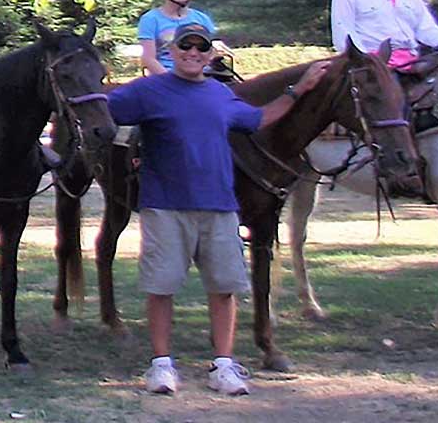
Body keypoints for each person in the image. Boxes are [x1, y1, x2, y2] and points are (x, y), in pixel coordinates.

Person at [106, 23, 329, 396]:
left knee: (224, 288)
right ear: (172, 52)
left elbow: (261, 118)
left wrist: (298, 90)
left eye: (200, 48)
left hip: (220, 207)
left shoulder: (221, 95)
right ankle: (161, 364)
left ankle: (223, 365)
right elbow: (104, 107)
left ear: (210, 54)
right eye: (185, 47)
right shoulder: (147, 91)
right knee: (161, 287)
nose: (192, 53)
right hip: (165, 206)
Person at [136, 0, 228, 76]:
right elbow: (149, 59)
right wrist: (172, 82)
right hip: (167, 78)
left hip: (201, 77)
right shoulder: (150, 19)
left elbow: (208, 53)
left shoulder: (202, 18)